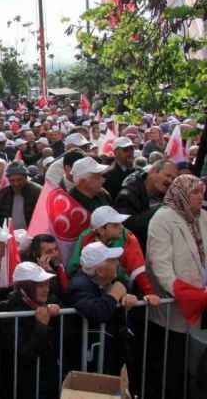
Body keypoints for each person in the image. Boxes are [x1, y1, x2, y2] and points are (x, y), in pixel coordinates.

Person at [145, 174, 206, 399]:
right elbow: (160, 265)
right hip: (173, 309)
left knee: (198, 367)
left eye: (202, 191)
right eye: (196, 192)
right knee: (172, 368)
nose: (201, 196)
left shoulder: (203, 217)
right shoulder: (162, 219)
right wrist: (184, 294)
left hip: (201, 304)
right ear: (182, 194)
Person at [0, 262, 62, 399]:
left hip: (45, 382)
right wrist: (41, 326)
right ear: (25, 287)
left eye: (47, 284)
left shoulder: (46, 302)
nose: (46, 289)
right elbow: (24, 354)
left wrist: (55, 310)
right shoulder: (9, 311)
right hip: (21, 385)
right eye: (40, 285)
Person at [67, 242, 136, 375]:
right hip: (89, 362)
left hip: (108, 355)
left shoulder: (103, 282)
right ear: (99, 271)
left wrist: (125, 297)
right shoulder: (79, 286)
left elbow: (118, 291)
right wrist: (115, 295)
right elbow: (98, 313)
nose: (117, 263)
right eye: (112, 260)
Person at [114, 159, 177, 248]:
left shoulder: (169, 195)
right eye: (167, 175)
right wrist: (160, 209)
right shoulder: (128, 193)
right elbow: (126, 226)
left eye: (173, 178)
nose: (170, 181)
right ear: (153, 171)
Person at [0, 161, 41, 230]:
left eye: (19, 180)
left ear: (26, 177)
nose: (16, 184)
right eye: (12, 180)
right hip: (9, 237)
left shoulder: (37, 192)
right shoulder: (2, 195)